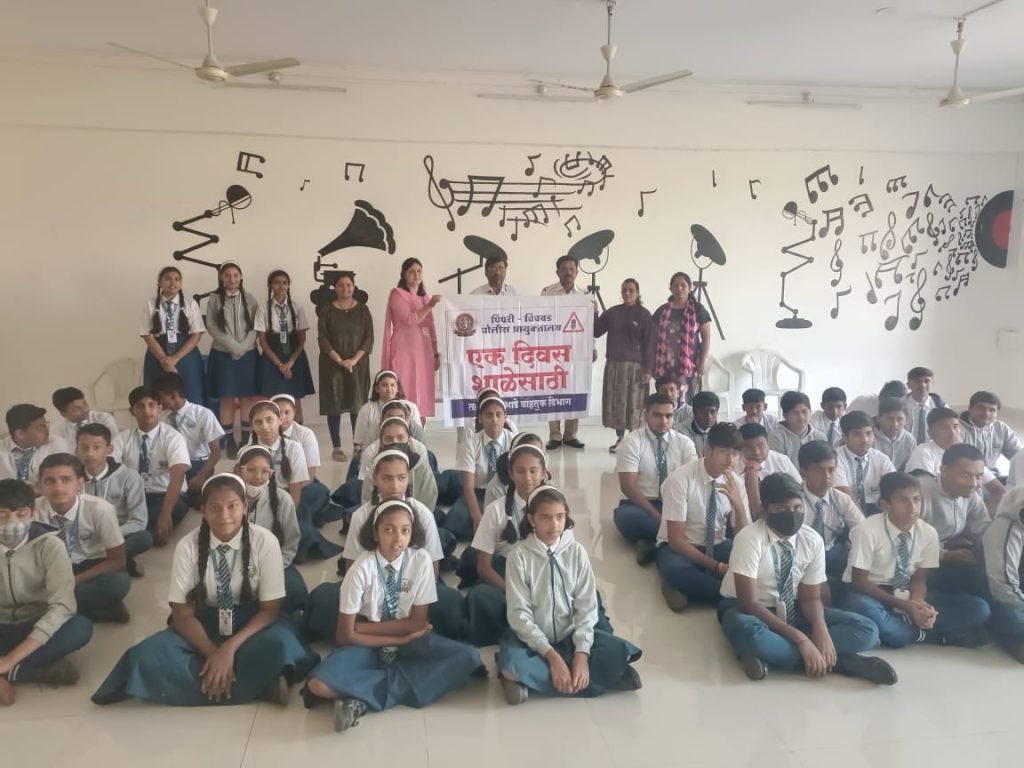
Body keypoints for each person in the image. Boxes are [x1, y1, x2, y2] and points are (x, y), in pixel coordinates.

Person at [92, 473, 319, 707]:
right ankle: (258, 684)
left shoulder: (265, 541)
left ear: (245, 507)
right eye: (214, 508)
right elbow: (182, 615)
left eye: (232, 506)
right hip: (203, 625)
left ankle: (208, 681)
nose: (224, 515)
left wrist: (228, 649)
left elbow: (270, 610)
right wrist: (213, 653)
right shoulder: (187, 546)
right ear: (203, 510)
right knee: (146, 655)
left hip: (251, 625)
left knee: (280, 644)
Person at [301, 499, 484, 732]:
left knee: (468, 658)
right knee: (318, 685)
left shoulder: (421, 561)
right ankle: (400, 684)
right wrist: (400, 638)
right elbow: (345, 636)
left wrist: (363, 628)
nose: (398, 539)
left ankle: (359, 695)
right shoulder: (360, 569)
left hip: (397, 638)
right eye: (389, 530)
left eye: (405, 531)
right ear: (375, 534)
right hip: (365, 645)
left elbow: (417, 623)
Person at [718, 473, 896, 684]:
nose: (791, 514)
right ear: (765, 510)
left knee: (868, 630)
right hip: (748, 609)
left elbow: (810, 598)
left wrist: (821, 630)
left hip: (794, 607)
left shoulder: (811, 540)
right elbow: (749, 603)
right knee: (753, 636)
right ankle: (843, 661)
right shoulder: (749, 538)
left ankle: (782, 657)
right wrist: (801, 639)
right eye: (781, 509)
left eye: (797, 507)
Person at [496, 486, 642, 704]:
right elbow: (519, 615)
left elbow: (587, 607)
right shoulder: (518, 557)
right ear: (531, 519)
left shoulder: (577, 552)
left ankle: (536, 681)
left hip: (571, 635)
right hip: (534, 641)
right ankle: (600, 678)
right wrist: (552, 657)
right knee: (512, 660)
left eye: (560, 517)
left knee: (619, 648)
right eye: (545, 517)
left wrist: (581, 654)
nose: (554, 524)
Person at [305, 448, 465, 644]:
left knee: (449, 603)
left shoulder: (422, 513)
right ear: (375, 479)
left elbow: (432, 570)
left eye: (401, 478)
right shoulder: (361, 516)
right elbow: (351, 567)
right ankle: (385, 632)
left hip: (411, 583)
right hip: (369, 586)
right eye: (387, 478)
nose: (395, 486)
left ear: (408, 479)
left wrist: (405, 594)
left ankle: (371, 631)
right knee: (325, 599)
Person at [841, 472, 990, 648]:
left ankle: (903, 629)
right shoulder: (867, 530)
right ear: (885, 505)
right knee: (862, 608)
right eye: (903, 500)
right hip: (872, 592)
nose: (913, 507)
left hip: (906, 590)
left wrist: (918, 603)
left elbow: (919, 579)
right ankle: (930, 636)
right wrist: (905, 606)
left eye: (916, 499)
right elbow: (859, 581)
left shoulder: (928, 533)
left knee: (979, 608)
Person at [0, 479, 93, 704]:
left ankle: (12, 669)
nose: (12, 522)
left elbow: (63, 606)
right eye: (2, 515)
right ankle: (33, 670)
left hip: (34, 625)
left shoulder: (50, 545)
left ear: (32, 513)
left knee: (80, 627)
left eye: (21, 514)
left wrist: (10, 659)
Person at [656, 423, 749, 612]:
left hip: (718, 543)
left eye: (735, 453)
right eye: (723, 452)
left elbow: (745, 538)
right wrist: (717, 567)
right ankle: (732, 594)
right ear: (708, 450)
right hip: (682, 547)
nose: (730, 459)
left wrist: (739, 507)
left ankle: (691, 589)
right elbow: (676, 540)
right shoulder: (680, 479)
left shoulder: (736, 482)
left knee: (755, 562)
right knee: (676, 569)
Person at [465, 443, 549, 646]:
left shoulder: (554, 507)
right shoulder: (495, 510)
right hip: (506, 575)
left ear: (543, 473)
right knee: (480, 597)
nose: (527, 477)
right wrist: (513, 591)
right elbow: (484, 568)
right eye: (520, 471)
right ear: (511, 474)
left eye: (533, 471)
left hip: (543, 572)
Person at [35, 454, 131, 623]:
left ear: (80, 483)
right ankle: (91, 610)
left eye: (66, 480)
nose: (58, 488)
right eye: (50, 481)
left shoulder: (100, 509)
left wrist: (74, 581)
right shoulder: (32, 511)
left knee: (118, 583)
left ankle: (57, 609)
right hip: (50, 568)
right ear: (40, 486)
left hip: (88, 566)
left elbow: (118, 561)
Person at [614, 393, 698, 565]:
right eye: (658, 415)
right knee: (625, 518)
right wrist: (659, 517)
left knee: (701, 519)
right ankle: (676, 540)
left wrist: (676, 513)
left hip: (676, 503)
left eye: (668, 416)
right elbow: (628, 486)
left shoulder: (684, 443)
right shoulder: (632, 442)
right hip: (641, 505)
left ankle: (653, 544)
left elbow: (693, 480)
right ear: (646, 415)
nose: (664, 421)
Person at [112, 386, 190, 546]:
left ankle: (128, 538)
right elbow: (109, 469)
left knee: (176, 509)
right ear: (132, 411)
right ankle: (142, 536)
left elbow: (178, 476)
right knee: (109, 511)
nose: (147, 411)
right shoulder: (122, 438)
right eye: (140, 406)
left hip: (163, 495)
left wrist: (165, 514)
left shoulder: (173, 437)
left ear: (160, 407)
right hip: (133, 496)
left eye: (151, 405)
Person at [234, 445, 307, 614]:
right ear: (238, 470)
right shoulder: (227, 499)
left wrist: (269, 569)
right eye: (251, 470)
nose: (258, 477)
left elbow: (290, 543)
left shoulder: (283, 499)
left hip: (273, 563)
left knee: (295, 590)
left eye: (265, 471)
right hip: (234, 562)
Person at [76, 423, 152, 578]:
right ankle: (117, 562)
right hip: (84, 537)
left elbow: (138, 521)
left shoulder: (129, 477)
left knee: (143, 538)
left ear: (109, 449)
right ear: (76, 450)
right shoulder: (71, 479)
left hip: (119, 534)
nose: (90, 453)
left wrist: (109, 535)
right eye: (84, 448)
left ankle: (95, 562)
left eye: (97, 447)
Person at [204, 261, 260, 458]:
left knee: (246, 397)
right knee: (226, 397)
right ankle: (228, 440)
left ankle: (245, 438)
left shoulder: (250, 299)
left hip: (248, 354)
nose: (232, 279)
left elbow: (256, 326)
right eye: (227, 275)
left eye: (235, 275)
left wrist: (243, 347)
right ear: (221, 277)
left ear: (241, 276)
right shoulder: (214, 299)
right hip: (223, 354)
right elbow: (211, 326)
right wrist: (232, 345)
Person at [316, 271, 373, 461]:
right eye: (341, 285)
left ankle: (358, 447)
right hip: (332, 364)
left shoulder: (363, 310)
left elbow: (368, 338)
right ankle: (337, 447)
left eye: (349, 285)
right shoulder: (326, 310)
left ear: (354, 287)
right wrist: (340, 360)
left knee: (357, 404)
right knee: (334, 404)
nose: (345, 288)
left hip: (358, 364)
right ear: (335, 288)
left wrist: (353, 360)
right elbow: (323, 339)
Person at [918, 444, 990, 594]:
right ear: (943, 470)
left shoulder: (969, 494)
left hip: (951, 554)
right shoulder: (918, 493)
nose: (973, 484)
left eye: (979, 476)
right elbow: (902, 540)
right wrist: (943, 555)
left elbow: (983, 530)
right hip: (920, 566)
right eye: (965, 475)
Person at [595, 278, 654, 453]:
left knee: (635, 404)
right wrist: (594, 313)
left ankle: (635, 440)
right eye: (624, 290)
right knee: (617, 404)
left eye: (631, 290)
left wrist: (648, 369)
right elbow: (596, 331)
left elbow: (650, 344)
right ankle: (620, 439)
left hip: (636, 368)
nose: (627, 293)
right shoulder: (613, 313)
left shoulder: (644, 315)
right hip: (614, 366)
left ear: (637, 293)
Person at [381, 257, 441, 422]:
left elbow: (431, 327)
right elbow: (409, 320)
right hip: (404, 353)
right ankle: (401, 429)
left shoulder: (425, 297)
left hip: (424, 354)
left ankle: (420, 432)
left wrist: (436, 353)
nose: (416, 274)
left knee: (423, 396)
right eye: (412, 271)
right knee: (404, 393)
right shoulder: (397, 294)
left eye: (419, 271)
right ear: (404, 274)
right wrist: (429, 306)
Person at [450, 396, 515, 540]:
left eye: (498, 415)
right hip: (479, 493)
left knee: (509, 519)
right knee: (456, 521)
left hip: (506, 492)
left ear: (505, 418)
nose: (494, 420)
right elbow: (468, 487)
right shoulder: (471, 444)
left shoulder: (514, 441)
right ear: (480, 418)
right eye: (489, 415)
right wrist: (477, 517)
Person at [154, 372, 224, 505]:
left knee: (199, 498)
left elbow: (216, 453)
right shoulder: (163, 417)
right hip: (173, 465)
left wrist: (201, 476)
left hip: (198, 465)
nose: (158, 401)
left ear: (173, 395)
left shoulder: (203, 414)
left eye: (160, 397)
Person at [255, 269, 316, 421]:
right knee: (273, 399)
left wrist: (290, 362)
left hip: (294, 356)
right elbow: (262, 340)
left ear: (289, 285)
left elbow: (302, 338)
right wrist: (279, 364)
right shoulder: (263, 308)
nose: (281, 286)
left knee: (295, 398)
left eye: (284, 283)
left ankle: (298, 430)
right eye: (277, 283)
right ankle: (275, 428)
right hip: (272, 356)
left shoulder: (296, 307)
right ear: (270, 285)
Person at [798, 441, 864, 582]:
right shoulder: (794, 500)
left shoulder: (841, 498)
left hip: (832, 554)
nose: (827, 476)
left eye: (831, 470)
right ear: (803, 473)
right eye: (819, 470)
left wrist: (853, 543)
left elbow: (863, 529)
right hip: (803, 557)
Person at [140, 265, 205, 406]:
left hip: (185, 353)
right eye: (167, 279)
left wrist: (175, 358)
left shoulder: (190, 304)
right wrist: (165, 361)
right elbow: (148, 336)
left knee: (191, 394)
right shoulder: (150, 304)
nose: (172, 283)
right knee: (157, 396)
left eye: (177, 279)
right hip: (158, 353)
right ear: (159, 282)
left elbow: (196, 335)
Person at [541, 255, 588, 450]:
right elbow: (540, 321)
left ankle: (570, 435)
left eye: (571, 269)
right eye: (564, 269)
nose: (568, 273)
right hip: (552, 351)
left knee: (574, 390)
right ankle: (554, 435)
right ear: (557, 272)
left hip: (577, 351)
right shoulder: (547, 293)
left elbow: (590, 325)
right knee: (552, 391)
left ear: (577, 272)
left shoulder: (585, 294)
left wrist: (592, 347)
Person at [648, 272, 712, 402]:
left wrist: (702, 362)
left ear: (690, 288)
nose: (679, 288)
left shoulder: (698, 310)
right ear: (670, 288)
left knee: (686, 401)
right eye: (675, 285)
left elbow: (706, 337)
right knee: (665, 400)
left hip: (688, 366)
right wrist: (651, 366)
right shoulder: (662, 311)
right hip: (664, 366)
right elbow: (652, 339)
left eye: (683, 285)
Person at [358, 417, 438, 511]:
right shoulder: (375, 469)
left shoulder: (421, 466)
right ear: (381, 442)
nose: (395, 442)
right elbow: (367, 502)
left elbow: (428, 501)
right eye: (389, 439)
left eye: (400, 438)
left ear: (408, 440)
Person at [982, 487, 1024, 662]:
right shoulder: (1006, 528)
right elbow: (1002, 587)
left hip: (1018, 593)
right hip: (1002, 598)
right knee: (1014, 620)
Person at [246, 400, 309, 509]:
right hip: (256, 504)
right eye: (258, 422)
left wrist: (289, 514)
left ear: (280, 420)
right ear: (252, 426)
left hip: (286, 502)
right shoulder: (246, 452)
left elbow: (295, 489)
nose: (264, 426)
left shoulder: (294, 449)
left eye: (269, 420)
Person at [834, 411, 896, 516]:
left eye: (868, 433)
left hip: (876, 511)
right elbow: (844, 494)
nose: (865, 440)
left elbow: (895, 487)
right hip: (844, 512)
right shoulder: (835, 458)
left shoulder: (881, 458)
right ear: (845, 437)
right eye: (857, 434)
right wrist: (864, 522)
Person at [738, 422, 801, 515]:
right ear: (740, 448)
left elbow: (799, 489)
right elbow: (754, 512)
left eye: (761, 446)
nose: (756, 452)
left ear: (768, 444)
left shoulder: (782, 460)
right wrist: (751, 473)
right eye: (749, 448)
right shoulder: (732, 465)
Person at [0, 404, 70, 484]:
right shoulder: (2, 449)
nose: (47, 430)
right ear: (20, 434)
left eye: (46, 424)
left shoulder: (57, 444)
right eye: (41, 427)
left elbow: (60, 479)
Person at [959, 390, 1022, 475]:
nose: (986, 413)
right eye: (981, 408)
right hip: (968, 477)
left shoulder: (1001, 428)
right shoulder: (956, 429)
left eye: (992, 410)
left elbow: (1018, 455)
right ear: (970, 408)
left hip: (993, 475)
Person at [768, 391, 826, 466]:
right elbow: (778, 466)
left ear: (810, 412)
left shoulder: (820, 437)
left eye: (804, 412)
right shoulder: (776, 437)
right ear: (785, 415)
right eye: (795, 413)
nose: (801, 417)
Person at [49, 387, 118, 449]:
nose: (85, 409)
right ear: (63, 414)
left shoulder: (103, 418)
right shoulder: (57, 432)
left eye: (85, 403)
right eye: (77, 408)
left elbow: (115, 447)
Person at [905, 367, 948, 445]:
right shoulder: (899, 406)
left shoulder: (940, 406)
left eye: (927, 381)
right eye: (917, 381)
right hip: (905, 449)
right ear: (908, 385)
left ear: (932, 383)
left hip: (932, 449)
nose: (923, 385)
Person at [874, 397, 916, 472]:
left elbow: (910, 468)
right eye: (889, 419)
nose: (895, 424)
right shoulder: (870, 437)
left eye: (899, 419)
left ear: (906, 421)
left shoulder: (909, 440)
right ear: (879, 419)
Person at [678, 390, 719, 457]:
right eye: (704, 412)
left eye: (712, 412)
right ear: (694, 412)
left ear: (717, 412)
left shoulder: (722, 432)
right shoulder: (681, 433)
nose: (709, 416)